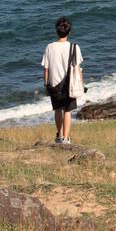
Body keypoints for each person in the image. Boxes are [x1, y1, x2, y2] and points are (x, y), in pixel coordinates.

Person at [42, 16, 84, 144]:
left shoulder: (49, 47)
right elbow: (77, 68)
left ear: (56, 31)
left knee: (57, 110)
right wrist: (81, 84)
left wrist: (46, 84)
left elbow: (46, 69)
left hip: (54, 84)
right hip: (69, 85)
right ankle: (66, 139)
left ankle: (59, 136)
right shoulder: (74, 47)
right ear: (69, 32)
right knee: (67, 111)